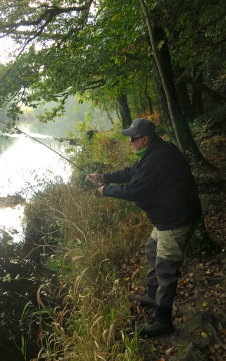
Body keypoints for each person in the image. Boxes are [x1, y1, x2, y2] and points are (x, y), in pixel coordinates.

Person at [88, 117, 202, 337]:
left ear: (145, 139)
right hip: (165, 218)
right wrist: (106, 177)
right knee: (152, 250)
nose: (130, 142)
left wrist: (106, 190)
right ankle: (152, 295)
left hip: (176, 220)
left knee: (166, 270)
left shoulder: (157, 158)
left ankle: (162, 320)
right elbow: (133, 172)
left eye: (133, 139)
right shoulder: (152, 152)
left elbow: (135, 190)